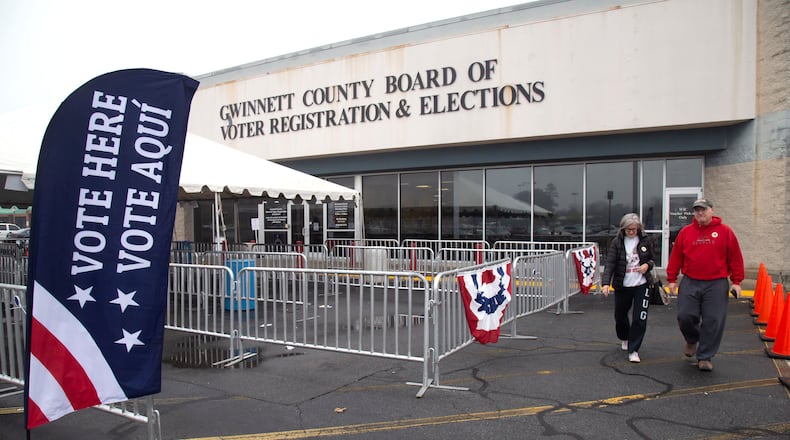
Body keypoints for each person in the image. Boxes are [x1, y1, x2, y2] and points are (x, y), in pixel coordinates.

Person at [666, 198, 744, 372]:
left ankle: (705, 356)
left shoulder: (725, 232)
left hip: (716, 283)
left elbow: (735, 258)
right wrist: (672, 279)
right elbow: (676, 256)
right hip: (690, 281)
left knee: (713, 320)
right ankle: (692, 340)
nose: (700, 213)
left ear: (712, 211)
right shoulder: (686, 232)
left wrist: (737, 282)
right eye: (697, 210)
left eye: (703, 209)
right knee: (685, 316)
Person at [601, 213, 656, 363]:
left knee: (640, 318)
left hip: (642, 284)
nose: (631, 232)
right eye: (628, 229)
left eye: (634, 229)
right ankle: (624, 337)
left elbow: (652, 258)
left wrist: (647, 265)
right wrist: (605, 283)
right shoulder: (617, 242)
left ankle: (634, 349)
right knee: (620, 316)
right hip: (622, 285)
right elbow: (610, 263)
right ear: (623, 229)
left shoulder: (645, 241)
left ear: (639, 228)